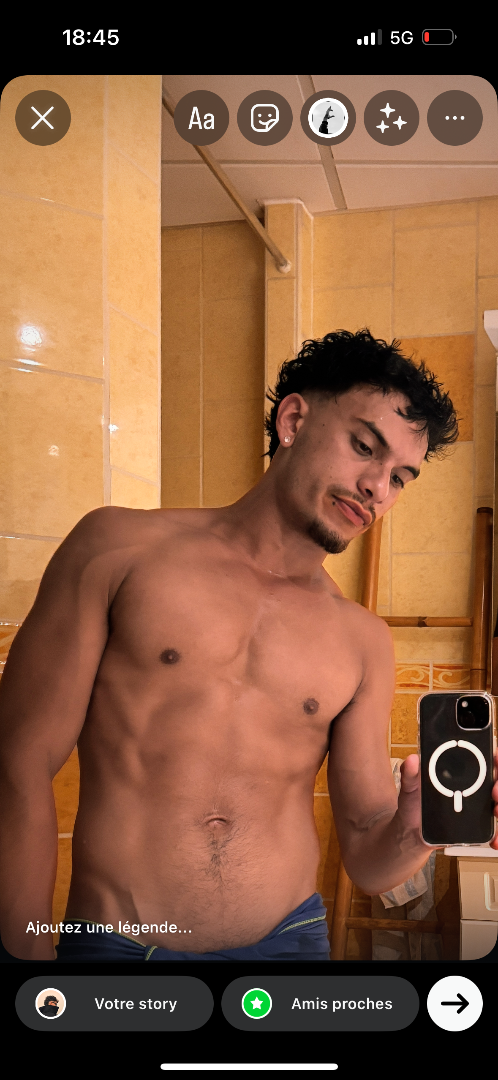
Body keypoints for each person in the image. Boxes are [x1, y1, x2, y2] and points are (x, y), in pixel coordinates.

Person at [1, 329, 497, 962]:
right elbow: (16, 762)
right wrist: (25, 960)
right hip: (120, 951)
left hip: (290, 949)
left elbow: (370, 860)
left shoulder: (362, 640)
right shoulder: (118, 551)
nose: (378, 487)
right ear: (293, 420)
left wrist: (417, 825)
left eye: (400, 477)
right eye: (363, 447)